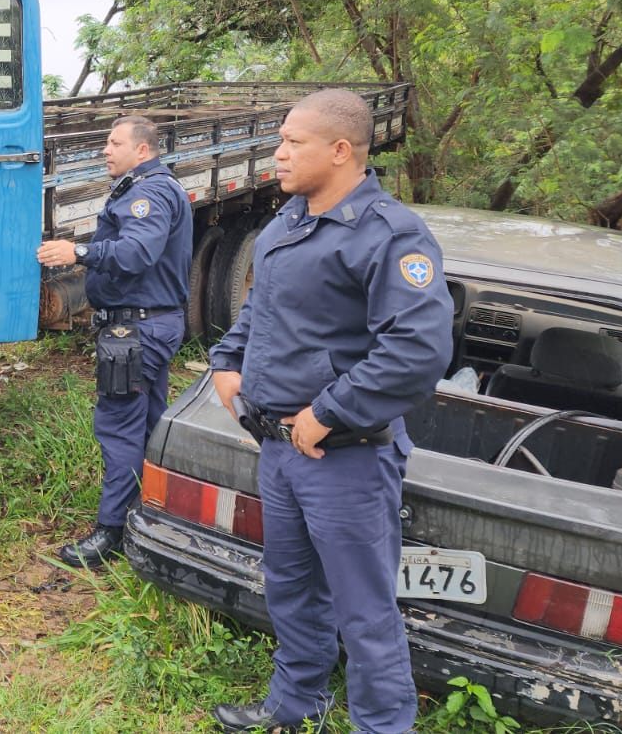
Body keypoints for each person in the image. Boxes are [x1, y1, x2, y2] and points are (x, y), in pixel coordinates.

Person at [205, 89, 453, 734]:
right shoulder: (290, 220)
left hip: (344, 457)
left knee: (365, 611)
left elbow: (417, 350)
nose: (279, 154)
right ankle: (295, 708)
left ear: (340, 151)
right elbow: (264, 308)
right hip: (280, 450)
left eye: (293, 142)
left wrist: (330, 411)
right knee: (289, 586)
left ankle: (382, 725)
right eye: (280, 141)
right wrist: (227, 360)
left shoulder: (390, 234)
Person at [37, 115, 192, 568]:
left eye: (113, 142)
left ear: (142, 150)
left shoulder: (149, 192)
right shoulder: (148, 186)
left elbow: (138, 252)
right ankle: (153, 512)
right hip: (149, 325)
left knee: (119, 426)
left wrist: (80, 252)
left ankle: (112, 534)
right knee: (148, 421)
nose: (105, 149)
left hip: (137, 331)